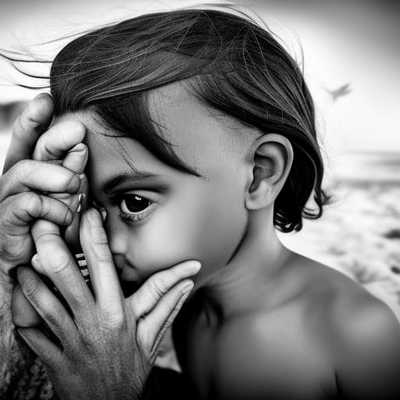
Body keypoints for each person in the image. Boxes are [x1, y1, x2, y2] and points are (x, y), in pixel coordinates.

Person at [1, 5, 400, 400]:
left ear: (260, 173)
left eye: (134, 202)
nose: (107, 242)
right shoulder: (179, 306)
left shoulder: (357, 333)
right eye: (89, 206)